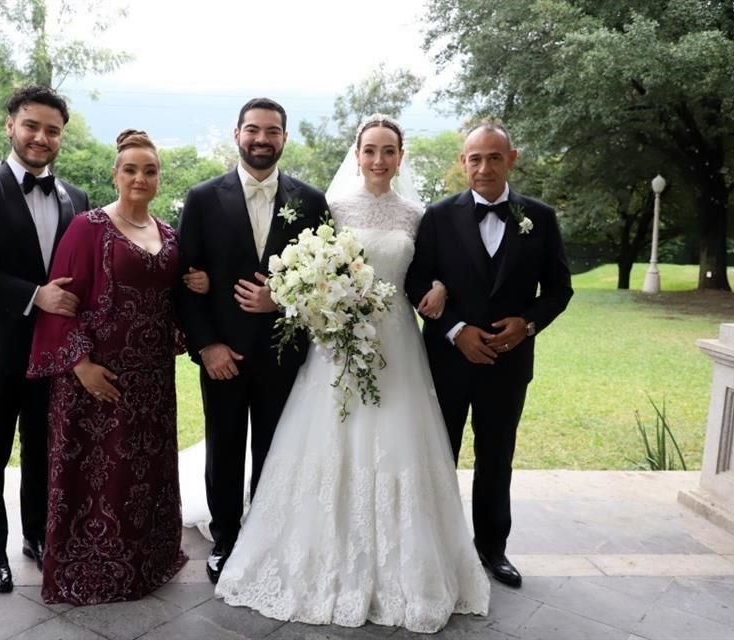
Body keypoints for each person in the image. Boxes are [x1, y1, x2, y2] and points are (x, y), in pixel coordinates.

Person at [214, 115, 490, 634]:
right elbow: (302, 266)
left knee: (399, 441)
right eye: (370, 151)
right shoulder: (331, 209)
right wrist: (295, 297)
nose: (379, 160)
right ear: (357, 154)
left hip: (398, 347)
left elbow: (435, 268)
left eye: (389, 151)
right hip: (336, 342)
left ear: (401, 157)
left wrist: (439, 288)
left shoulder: (416, 215)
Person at [26, 129, 206, 605]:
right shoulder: (87, 227)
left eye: (149, 170)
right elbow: (60, 302)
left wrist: (199, 284)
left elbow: (174, 297)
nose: (140, 178)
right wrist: (80, 364)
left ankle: (147, 563)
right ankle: (94, 569)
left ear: (159, 177)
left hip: (152, 381)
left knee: (144, 471)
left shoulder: (168, 233)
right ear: (115, 174)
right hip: (96, 378)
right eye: (131, 169)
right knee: (99, 476)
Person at [404, 122, 573, 589]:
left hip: (509, 363)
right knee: (439, 454)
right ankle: (436, 546)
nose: (483, 167)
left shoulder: (539, 217)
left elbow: (560, 289)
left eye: (493, 158)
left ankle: (492, 549)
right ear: (463, 163)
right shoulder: (436, 217)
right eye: (474, 159)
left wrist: (528, 323)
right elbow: (415, 281)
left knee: (497, 457)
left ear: (511, 159)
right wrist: (455, 329)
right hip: (447, 360)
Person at [174, 98, 329, 584]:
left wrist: (279, 302)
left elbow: (325, 281)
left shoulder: (311, 201)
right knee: (224, 447)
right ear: (237, 134)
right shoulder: (202, 198)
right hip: (223, 353)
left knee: (275, 448)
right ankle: (226, 539)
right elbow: (184, 279)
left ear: (285, 137)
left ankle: (268, 536)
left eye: (272, 131)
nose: (262, 139)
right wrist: (207, 346)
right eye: (253, 130)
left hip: (284, 354)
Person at [0, 86, 90, 594]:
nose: (41, 137)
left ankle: (40, 537)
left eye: (52, 130)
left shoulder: (77, 197)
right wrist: (35, 295)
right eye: (32, 125)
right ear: (11, 125)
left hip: (53, 351)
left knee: (44, 447)